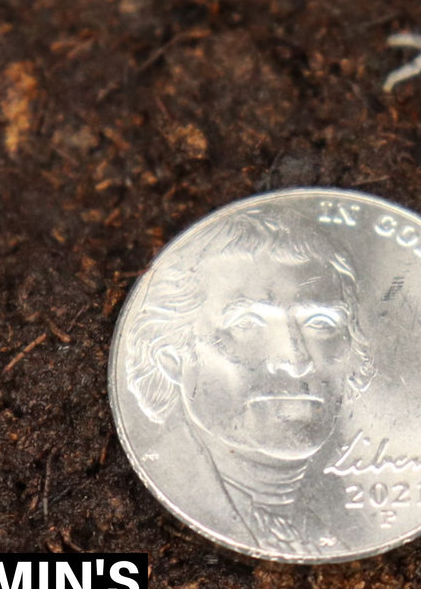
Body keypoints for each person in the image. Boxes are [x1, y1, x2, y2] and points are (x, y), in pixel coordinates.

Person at [123, 207, 374, 557]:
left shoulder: (340, 526)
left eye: (321, 323)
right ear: (171, 356)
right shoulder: (137, 521)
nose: (296, 360)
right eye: (247, 324)